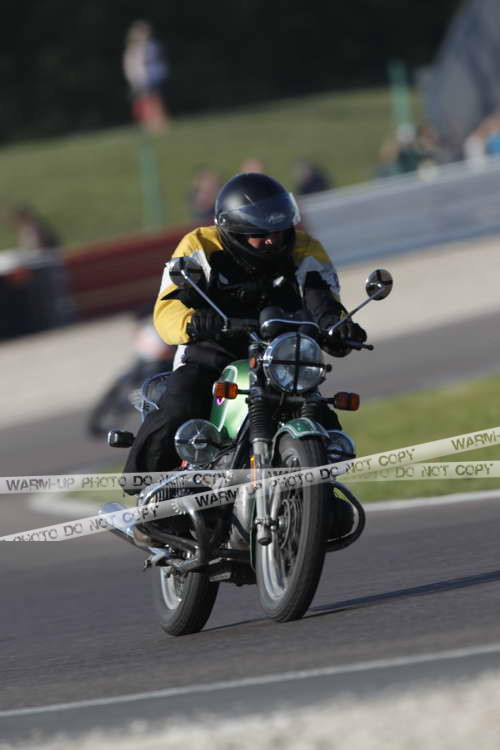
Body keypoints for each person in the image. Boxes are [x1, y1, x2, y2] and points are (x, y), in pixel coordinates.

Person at [123, 172, 366, 477]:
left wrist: (337, 326)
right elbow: (168, 308)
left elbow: (323, 298)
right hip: (212, 355)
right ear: (235, 231)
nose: (273, 239)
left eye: (279, 230)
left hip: (282, 359)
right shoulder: (200, 245)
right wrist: (194, 321)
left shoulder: (304, 248)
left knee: (326, 425)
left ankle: (324, 493)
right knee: (181, 401)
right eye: (260, 233)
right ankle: (142, 481)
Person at [122, 20, 169, 134]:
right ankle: (150, 124)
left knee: (154, 100)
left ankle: (159, 123)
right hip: (140, 79)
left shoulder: (150, 47)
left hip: (150, 77)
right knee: (145, 102)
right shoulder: (132, 50)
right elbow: (131, 67)